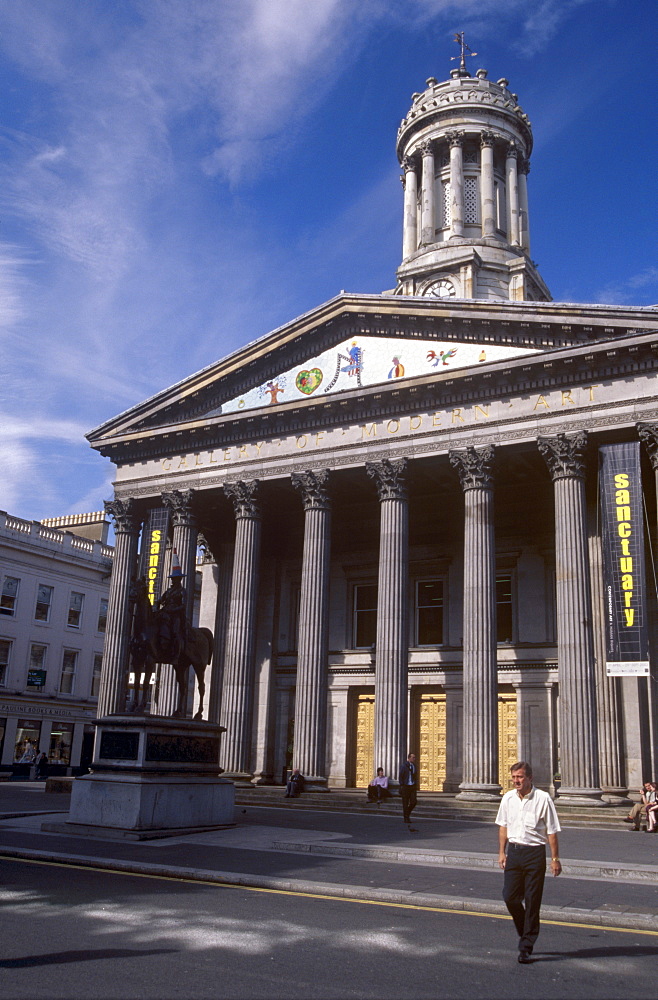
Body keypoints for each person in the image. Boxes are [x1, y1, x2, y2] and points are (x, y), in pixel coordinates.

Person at [496, 761, 562, 964]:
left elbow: (551, 831)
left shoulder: (543, 798)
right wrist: (501, 852)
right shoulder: (507, 798)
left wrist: (555, 859)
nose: (516, 780)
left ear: (530, 778)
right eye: (514, 777)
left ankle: (526, 945)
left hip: (534, 853)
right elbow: (503, 826)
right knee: (510, 897)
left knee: (533, 900)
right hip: (514, 852)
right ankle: (526, 929)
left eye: (520, 777)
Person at [155, 555, 188, 661]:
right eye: (172, 579)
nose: (173, 581)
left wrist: (173, 610)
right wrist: (156, 605)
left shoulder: (182, 591)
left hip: (176, 615)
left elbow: (183, 606)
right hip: (166, 613)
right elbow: (160, 600)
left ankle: (176, 654)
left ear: (179, 579)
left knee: (175, 631)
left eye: (175, 579)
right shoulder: (169, 591)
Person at [399, 752, 418, 832]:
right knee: (405, 803)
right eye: (413, 757)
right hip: (406, 786)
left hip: (412, 786)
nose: (414, 759)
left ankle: (407, 813)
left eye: (414, 757)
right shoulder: (404, 766)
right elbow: (401, 775)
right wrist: (402, 785)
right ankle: (406, 818)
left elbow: (415, 775)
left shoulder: (414, 766)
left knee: (414, 801)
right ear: (409, 758)